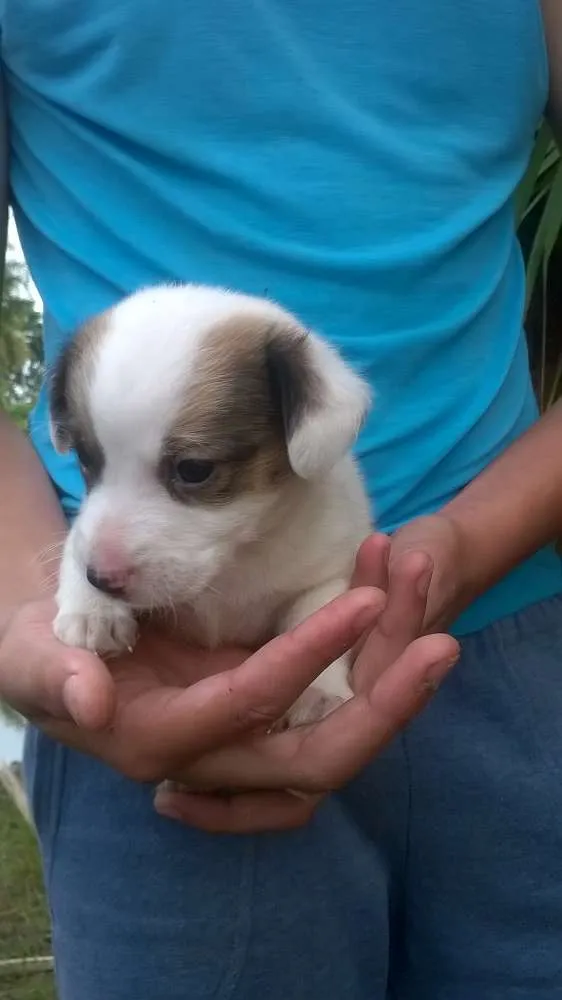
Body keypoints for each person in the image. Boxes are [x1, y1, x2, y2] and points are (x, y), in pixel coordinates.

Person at [0, 0, 561, 996]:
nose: (112, 537)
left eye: (193, 473)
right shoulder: (109, 563)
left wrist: (469, 541)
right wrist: (26, 601)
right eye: (93, 462)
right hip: (146, 672)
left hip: (513, 623)